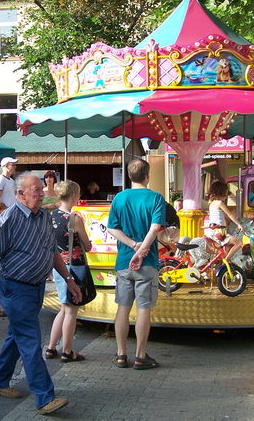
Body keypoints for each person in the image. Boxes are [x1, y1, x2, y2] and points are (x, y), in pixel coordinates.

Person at [0, 172, 81, 416]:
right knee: (29, 341)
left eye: (41, 189)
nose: (41, 193)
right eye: (35, 190)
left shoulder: (44, 217)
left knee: (17, 335)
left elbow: (52, 251)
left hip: (35, 287)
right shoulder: (9, 218)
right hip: (14, 288)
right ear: (20, 194)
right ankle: (45, 397)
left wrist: (69, 279)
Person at [107, 158, 165, 371]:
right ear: (147, 175)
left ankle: (121, 354)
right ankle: (140, 355)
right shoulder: (156, 198)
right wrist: (141, 251)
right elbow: (155, 227)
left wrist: (132, 246)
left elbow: (112, 228)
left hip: (123, 261)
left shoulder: (119, 198)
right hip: (147, 262)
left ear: (129, 176)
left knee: (122, 309)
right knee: (143, 310)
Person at [44, 180, 92, 363]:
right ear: (73, 196)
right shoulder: (74, 219)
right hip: (75, 265)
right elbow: (87, 245)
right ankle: (67, 350)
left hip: (58, 266)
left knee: (63, 308)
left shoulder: (51, 216)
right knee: (71, 310)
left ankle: (50, 347)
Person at [206, 181, 243, 261]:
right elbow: (229, 214)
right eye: (225, 195)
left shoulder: (211, 204)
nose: (226, 197)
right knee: (239, 242)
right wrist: (239, 224)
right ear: (221, 193)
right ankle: (227, 261)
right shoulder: (220, 203)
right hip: (219, 232)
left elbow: (223, 217)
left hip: (212, 231)